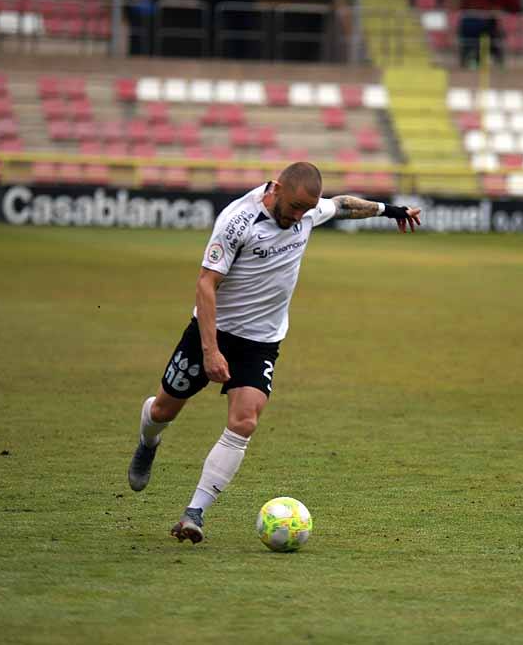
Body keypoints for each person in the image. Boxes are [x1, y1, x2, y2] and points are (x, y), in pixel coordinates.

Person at [127, 162, 422, 543]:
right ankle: (148, 442)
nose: (299, 217)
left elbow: (343, 206)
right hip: (212, 331)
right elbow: (206, 284)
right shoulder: (237, 220)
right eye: (294, 207)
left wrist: (390, 210)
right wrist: (212, 351)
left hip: (261, 341)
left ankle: (193, 513)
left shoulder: (307, 210)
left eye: (305, 210)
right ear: (277, 188)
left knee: (245, 420)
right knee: (164, 409)